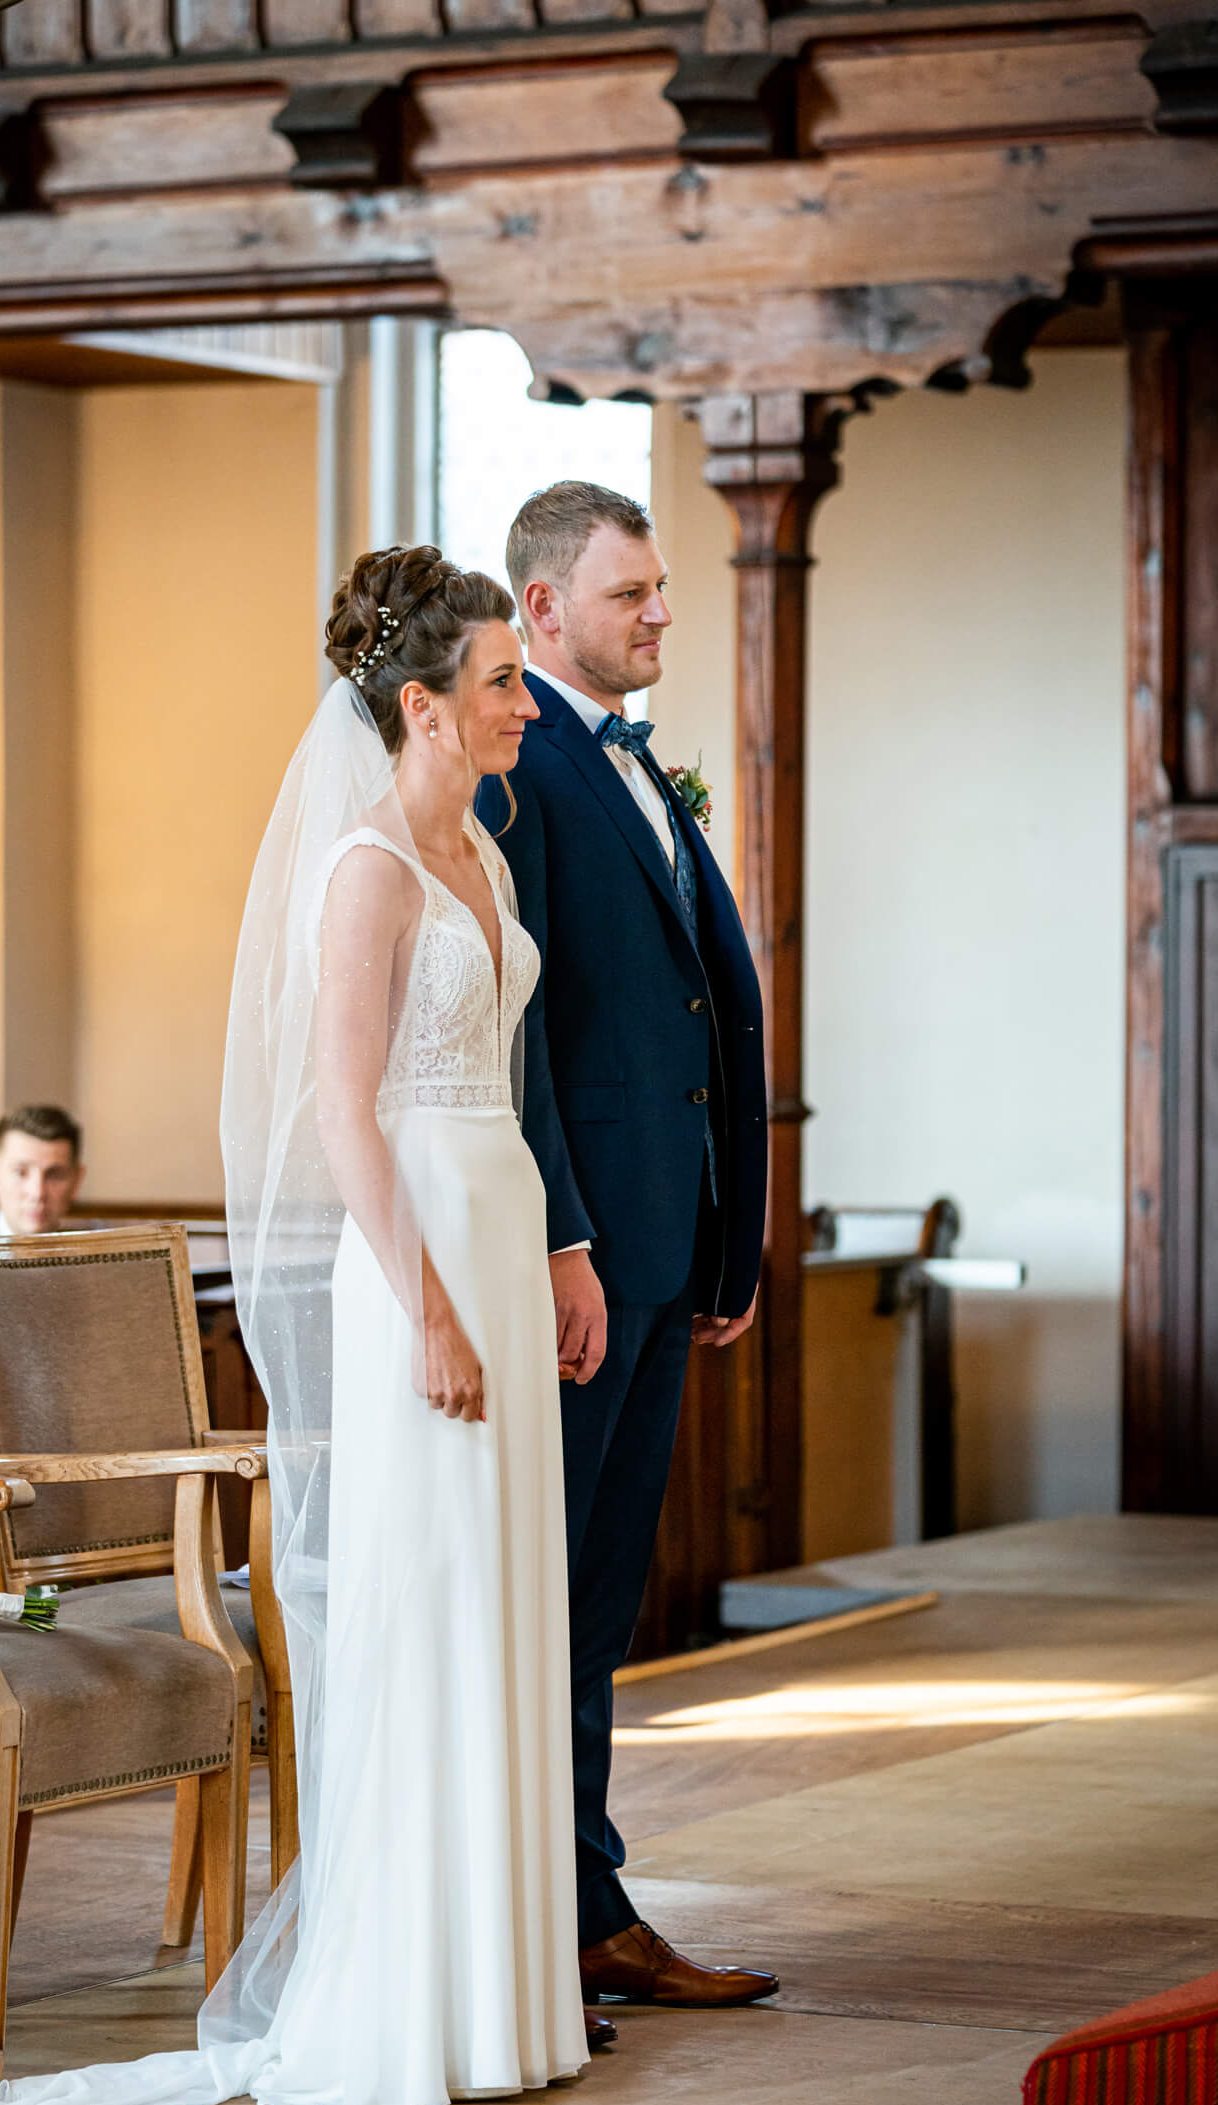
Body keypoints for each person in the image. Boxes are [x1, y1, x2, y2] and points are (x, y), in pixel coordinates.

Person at [0, 543, 603, 2105]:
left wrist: (542, 1258)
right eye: (503, 681)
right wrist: (436, 1308)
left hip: (501, 1227)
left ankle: (503, 2002)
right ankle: (406, 2004)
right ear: (423, 705)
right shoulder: (370, 870)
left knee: (508, 1607)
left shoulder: (492, 858)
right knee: (431, 1608)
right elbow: (342, 1106)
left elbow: (505, 1086)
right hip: (419, 1265)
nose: (525, 700)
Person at [476, 480, 778, 2009]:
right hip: (580, 1267)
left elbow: (702, 1014)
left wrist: (731, 1241)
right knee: (555, 1600)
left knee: (603, 1598)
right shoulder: (514, 760)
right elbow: (512, 1028)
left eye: (661, 589)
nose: (662, 613)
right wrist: (566, 1237)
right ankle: (548, 1923)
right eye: (630, 594)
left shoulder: (635, 763)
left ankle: (588, 1909)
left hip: (670, 1252)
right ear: (540, 611)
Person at [0, 1105, 85, 1236]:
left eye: (54, 1175)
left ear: (77, 1181)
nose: (37, 1193)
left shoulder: (97, 1256)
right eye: (20, 1172)